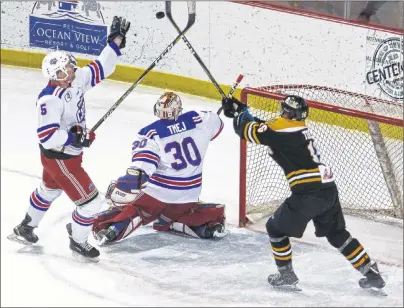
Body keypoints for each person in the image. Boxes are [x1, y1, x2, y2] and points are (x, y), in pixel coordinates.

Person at [221, 95, 386, 292]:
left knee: (275, 228)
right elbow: (266, 128)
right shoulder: (294, 128)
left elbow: (246, 131)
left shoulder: (279, 127)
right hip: (328, 188)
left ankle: (286, 275)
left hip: (308, 193)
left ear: (286, 111)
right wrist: (244, 112)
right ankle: (372, 274)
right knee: (337, 234)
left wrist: (239, 114)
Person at [8, 16, 131, 262]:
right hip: (61, 159)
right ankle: (78, 240)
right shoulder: (49, 99)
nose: (71, 70)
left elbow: (101, 67)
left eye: (70, 67)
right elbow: (47, 138)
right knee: (91, 203)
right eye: (66, 69)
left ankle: (25, 227)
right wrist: (75, 137)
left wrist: (115, 42)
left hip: (60, 158)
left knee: (49, 190)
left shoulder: (75, 80)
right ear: (57, 75)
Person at [92, 92, 227, 245]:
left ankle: (111, 230)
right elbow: (217, 124)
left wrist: (123, 185)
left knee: (137, 209)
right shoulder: (201, 119)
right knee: (183, 211)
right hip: (188, 195)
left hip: (157, 196)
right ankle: (199, 226)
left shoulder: (150, 133)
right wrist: (227, 107)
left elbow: (140, 173)